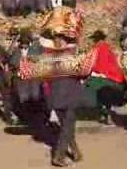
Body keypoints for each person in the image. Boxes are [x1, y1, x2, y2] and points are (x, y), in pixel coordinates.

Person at [43, 34, 83, 167]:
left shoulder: (49, 57)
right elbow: (82, 72)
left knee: (66, 126)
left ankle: (76, 152)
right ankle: (59, 156)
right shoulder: (70, 57)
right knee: (68, 126)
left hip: (54, 96)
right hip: (68, 95)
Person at [84, 30, 126, 125]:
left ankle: (103, 113)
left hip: (105, 76)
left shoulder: (98, 48)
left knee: (89, 88)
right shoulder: (108, 48)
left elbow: (96, 64)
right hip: (114, 77)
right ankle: (105, 113)